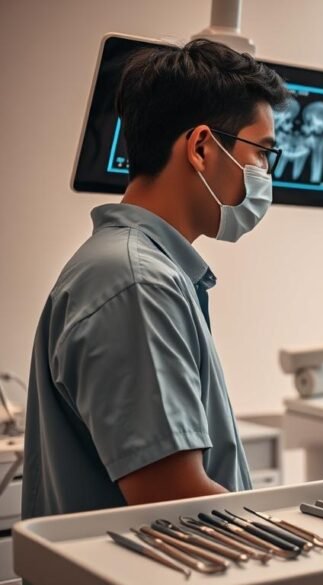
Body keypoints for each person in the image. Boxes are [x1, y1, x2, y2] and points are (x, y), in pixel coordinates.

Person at [22, 39, 290, 518]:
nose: (265, 173)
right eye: (262, 153)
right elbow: (176, 501)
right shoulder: (136, 283)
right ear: (203, 147)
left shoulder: (141, 270)